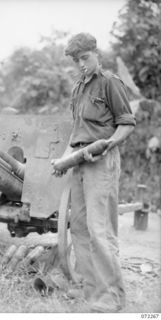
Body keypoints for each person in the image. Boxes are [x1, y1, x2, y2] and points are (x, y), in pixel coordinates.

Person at [52, 33, 136, 312]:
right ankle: (90, 290)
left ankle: (111, 296)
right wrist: (64, 160)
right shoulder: (78, 88)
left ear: (96, 54)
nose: (81, 64)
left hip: (101, 160)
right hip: (78, 162)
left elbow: (126, 124)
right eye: (77, 61)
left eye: (85, 58)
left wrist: (108, 144)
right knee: (79, 227)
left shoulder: (110, 83)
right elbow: (75, 133)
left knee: (101, 230)